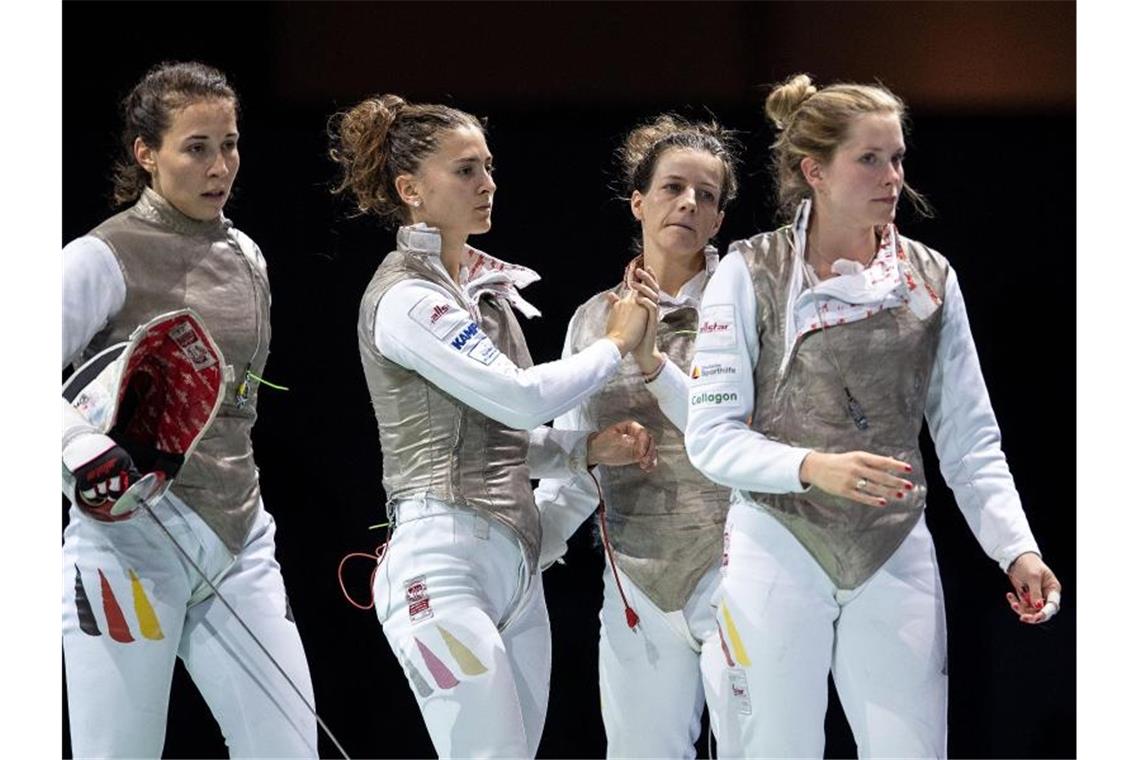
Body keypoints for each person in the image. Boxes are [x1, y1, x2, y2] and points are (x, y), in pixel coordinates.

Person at [684, 74, 1063, 758]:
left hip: (893, 545)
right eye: (870, 159)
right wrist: (812, 466)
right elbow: (710, 438)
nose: (892, 176)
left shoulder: (931, 278)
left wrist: (1017, 547)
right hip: (777, 541)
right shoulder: (749, 272)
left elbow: (970, 440)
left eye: (897, 158)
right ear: (815, 171)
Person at [328, 94, 658, 758]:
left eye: (489, 167)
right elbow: (520, 399)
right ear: (410, 190)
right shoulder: (406, 298)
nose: (488, 185)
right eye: (466, 171)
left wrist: (583, 450)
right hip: (440, 569)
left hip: (516, 572)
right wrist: (615, 346)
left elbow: (502, 439)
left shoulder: (479, 294)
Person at [61, 61, 318, 757]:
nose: (219, 165)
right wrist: (78, 447)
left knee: (289, 748)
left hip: (240, 536)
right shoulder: (101, 255)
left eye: (229, 144)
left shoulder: (246, 253)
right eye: (196, 147)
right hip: (131, 544)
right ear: (147, 154)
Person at [535, 114, 740, 758]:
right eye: (673, 187)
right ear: (639, 201)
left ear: (718, 221)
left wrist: (653, 363)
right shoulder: (595, 319)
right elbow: (572, 464)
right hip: (634, 585)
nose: (688, 203)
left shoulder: (746, 309)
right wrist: (521, 551)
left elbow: (743, 445)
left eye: (706, 196)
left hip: (739, 574)